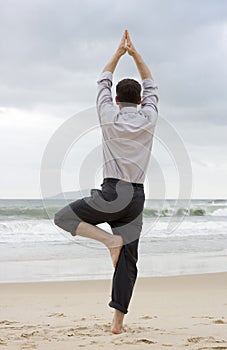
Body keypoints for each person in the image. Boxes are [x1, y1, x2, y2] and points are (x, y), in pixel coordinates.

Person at [54, 30, 158, 334]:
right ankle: (117, 323)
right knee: (128, 262)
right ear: (140, 100)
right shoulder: (149, 117)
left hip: (111, 192)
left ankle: (108, 241)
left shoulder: (108, 114)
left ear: (115, 99)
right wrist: (136, 54)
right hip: (136, 198)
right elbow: (152, 85)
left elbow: (103, 80)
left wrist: (118, 52)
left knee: (63, 217)